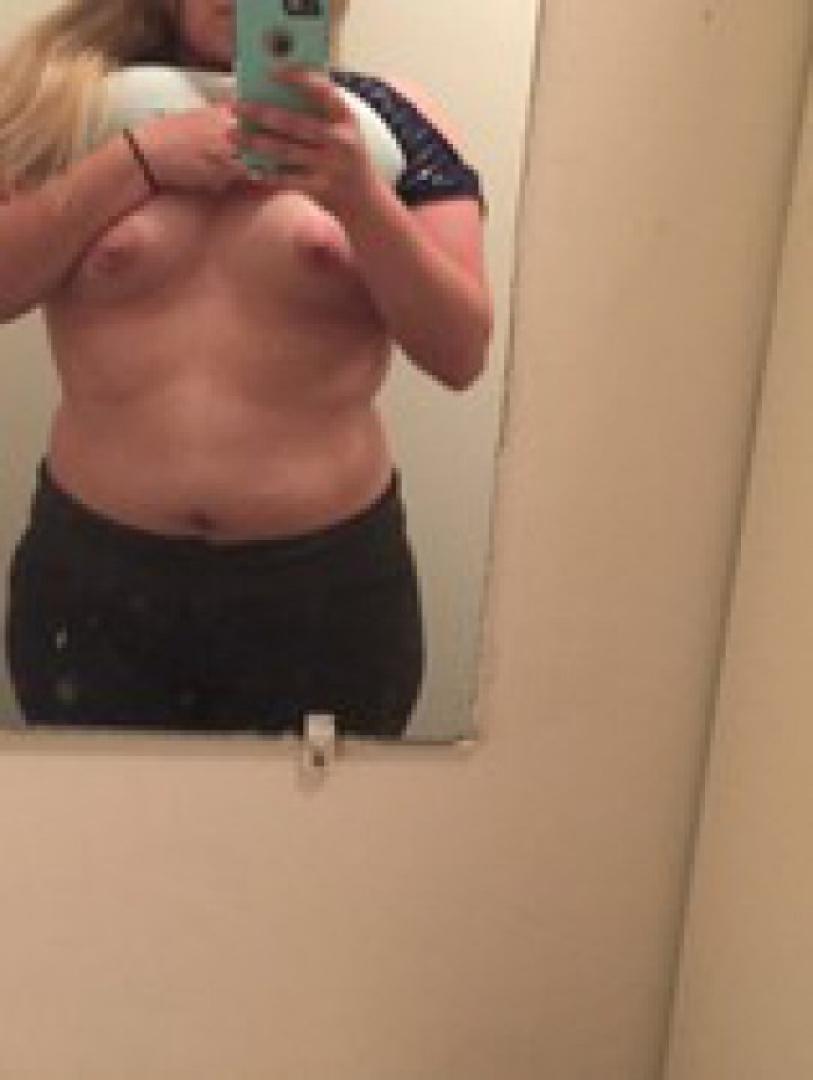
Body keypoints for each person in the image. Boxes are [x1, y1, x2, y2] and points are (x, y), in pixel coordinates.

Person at [0, 0, 493, 738]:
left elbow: (459, 352)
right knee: (104, 813)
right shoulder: (71, 103)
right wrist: (139, 161)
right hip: (97, 572)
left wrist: (357, 194)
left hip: (325, 585)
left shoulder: (392, 124)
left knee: (325, 817)